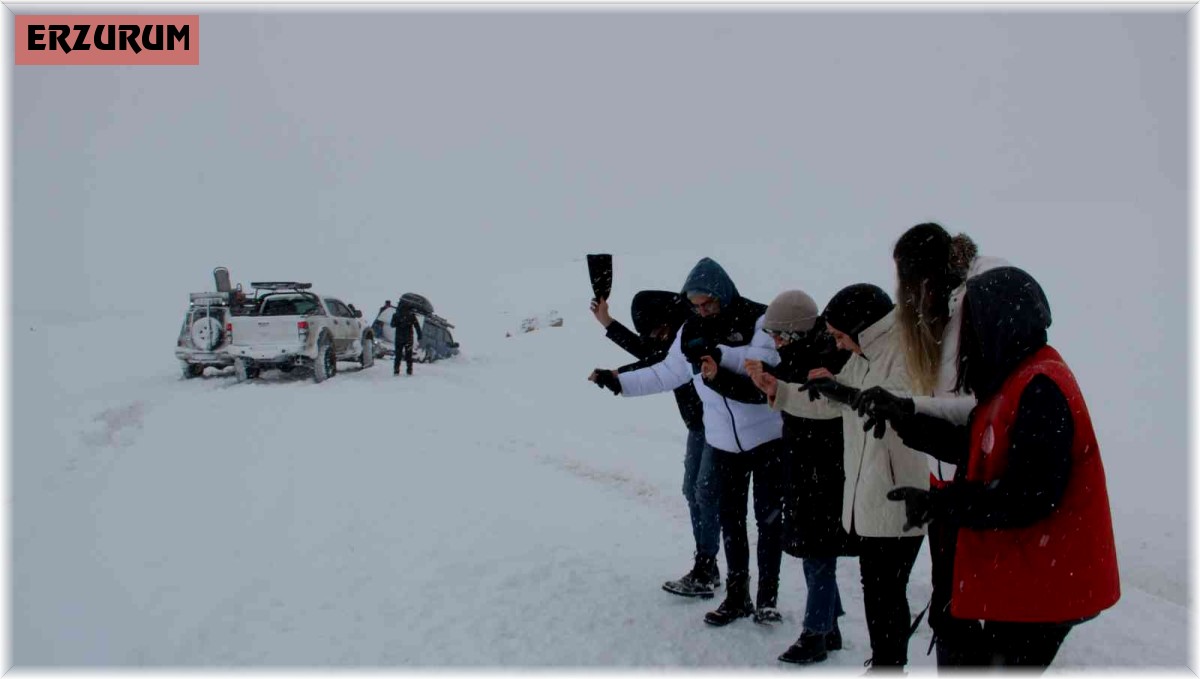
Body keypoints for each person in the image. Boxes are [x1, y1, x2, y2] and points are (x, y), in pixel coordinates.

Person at [874, 266, 1120, 669]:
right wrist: (905, 419)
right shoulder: (1013, 376)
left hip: (1047, 580)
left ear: (998, 321)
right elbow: (976, 445)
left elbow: (1030, 495)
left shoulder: (1041, 385)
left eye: (970, 322)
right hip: (1028, 574)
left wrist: (944, 502)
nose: (965, 336)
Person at [592, 258, 784, 627]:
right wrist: (620, 384)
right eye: (695, 305)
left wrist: (719, 352)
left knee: (767, 519)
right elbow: (667, 371)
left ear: (723, 293)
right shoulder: (690, 328)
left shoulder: (760, 318)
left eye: (708, 303)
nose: (702, 311)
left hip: (766, 441)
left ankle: (767, 599)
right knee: (732, 522)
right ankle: (737, 596)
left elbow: (762, 365)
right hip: (723, 442)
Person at [748, 284, 928, 669]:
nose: (838, 345)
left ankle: (884, 662)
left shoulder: (900, 353)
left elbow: (898, 407)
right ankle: (881, 660)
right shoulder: (863, 354)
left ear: (862, 327)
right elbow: (833, 405)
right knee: (876, 591)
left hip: (896, 493)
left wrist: (841, 393)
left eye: (840, 336)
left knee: (886, 593)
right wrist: (778, 389)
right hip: (865, 492)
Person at [853, 222, 1008, 665]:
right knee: (951, 611)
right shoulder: (942, 314)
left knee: (962, 614)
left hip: (970, 488)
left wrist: (908, 409)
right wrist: (906, 408)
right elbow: (954, 403)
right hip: (945, 488)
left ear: (922, 279)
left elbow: (976, 408)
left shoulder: (970, 307)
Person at [588, 291, 720, 598]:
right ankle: (708, 565)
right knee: (693, 491)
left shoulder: (692, 332)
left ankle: (706, 566)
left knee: (706, 492)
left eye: (658, 330)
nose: (657, 337)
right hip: (698, 427)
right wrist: (607, 322)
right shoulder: (670, 334)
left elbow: (658, 363)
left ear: (668, 319)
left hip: (719, 426)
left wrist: (616, 375)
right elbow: (648, 350)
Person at [744, 290, 852, 665]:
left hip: (824, 469)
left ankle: (816, 634)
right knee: (813, 546)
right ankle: (829, 625)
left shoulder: (826, 358)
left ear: (796, 332)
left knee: (818, 549)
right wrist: (767, 384)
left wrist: (774, 386)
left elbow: (822, 408)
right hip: (805, 464)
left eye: (779, 335)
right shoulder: (801, 354)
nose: (774, 342)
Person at [391, 299, 422, 376]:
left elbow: (392, 325)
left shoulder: (396, 315)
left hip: (398, 338)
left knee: (398, 356)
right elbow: (417, 326)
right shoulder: (412, 316)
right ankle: (409, 371)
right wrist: (419, 336)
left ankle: (396, 371)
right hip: (408, 339)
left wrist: (398, 323)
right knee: (408, 356)